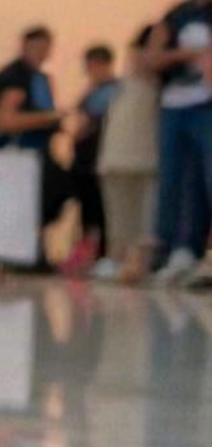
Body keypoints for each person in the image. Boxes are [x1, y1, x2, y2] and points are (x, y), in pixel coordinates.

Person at [149, 0, 212, 287]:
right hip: (176, 106)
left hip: (207, 106)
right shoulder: (176, 14)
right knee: (175, 178)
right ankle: (179, 249)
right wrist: (187, 54)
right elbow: (153, 57)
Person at [0, 26, 70, 248]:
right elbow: (4, 121)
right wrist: (48, 118)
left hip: (38, 154)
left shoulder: (40, 79)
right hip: (15, 158)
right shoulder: (15, 77)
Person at [94, 27, 161, 282]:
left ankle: (139, 263)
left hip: (147, 161)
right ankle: (117, 259)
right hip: (116, 160)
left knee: (145, 220)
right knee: (118, 219)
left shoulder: (163, 87)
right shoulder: (118, 87)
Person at [62, 43, 118, 268]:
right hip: (84, 157)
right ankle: (87, 247)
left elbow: (95, 120)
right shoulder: (93, 91)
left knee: (100, 205)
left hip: (98, 153)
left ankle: (101, 252)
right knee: (86, 204)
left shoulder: (114, 91)